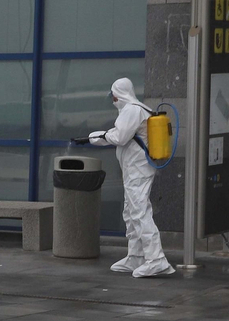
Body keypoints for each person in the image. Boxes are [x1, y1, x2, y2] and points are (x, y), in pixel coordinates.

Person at [73, 78, 174, 277]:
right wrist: (100, 137)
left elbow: (119, 137)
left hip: (138, 170)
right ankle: (136, 256)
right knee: (130, 211)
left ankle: (157, 259)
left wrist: (98, 136)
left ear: (118, 94)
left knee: (140, 212)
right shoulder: (138, 109)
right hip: (134, 169)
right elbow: (122, 134)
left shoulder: (132, 110)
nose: (112, 99)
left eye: (113, 95)